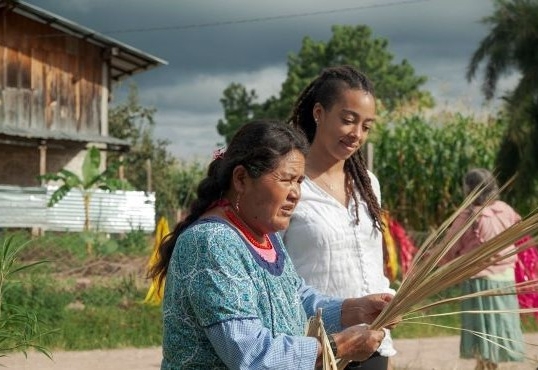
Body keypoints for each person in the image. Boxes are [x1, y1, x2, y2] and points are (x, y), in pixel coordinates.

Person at [148, 119, 393, 370]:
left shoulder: (265, 235)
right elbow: (251, 355)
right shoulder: (211, 243)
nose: (296, 193)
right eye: (286, 179)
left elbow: (294, 298)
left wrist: (354, 309)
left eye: (299, 181)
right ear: (241, 179)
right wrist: (338, 346)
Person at [282, 65, 396, 370]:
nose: (357, 134)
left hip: (373, 346)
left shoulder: (367, 183)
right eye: (348, 120)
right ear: (318, 113)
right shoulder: (289, 184)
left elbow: (373, 265)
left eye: (367, 126)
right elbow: (273, 273)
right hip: (318, 348)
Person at [441, 168, 525, 370]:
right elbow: (517, 231)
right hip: (505, 280)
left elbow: (449, 249)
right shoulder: (505, 210)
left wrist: (436, 267)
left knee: (484, 334)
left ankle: (486, 367)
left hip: (479, 283)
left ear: (469, 189)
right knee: (498, 330)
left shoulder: (468, 216)